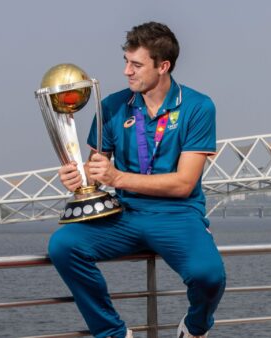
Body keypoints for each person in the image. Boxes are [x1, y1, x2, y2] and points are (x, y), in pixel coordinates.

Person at [48, 22, 226, 338]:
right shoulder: (112, 106)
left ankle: (195, 327)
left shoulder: (198, 107)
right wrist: (77, 177)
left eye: (136, 64)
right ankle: (113, 333)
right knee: (63, 245)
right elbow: (95, 172)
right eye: (126, 62)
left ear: (163, 66)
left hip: (177, 215)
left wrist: (117, 176)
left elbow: (184, 184)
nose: (127, 71)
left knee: (209, 276)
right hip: (124, 215)